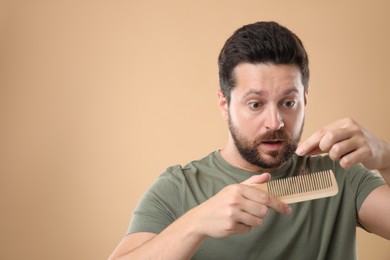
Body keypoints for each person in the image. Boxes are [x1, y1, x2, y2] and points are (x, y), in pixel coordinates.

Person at [109, 21, 390, 260]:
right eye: (255, 104)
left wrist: (387, 158)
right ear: (224, 104)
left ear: (305, 99)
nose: (275, 122)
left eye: (288, 103)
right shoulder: (179, 188)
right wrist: (195, 224)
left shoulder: (343, 176)